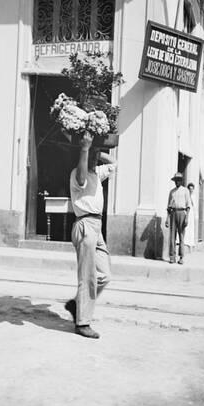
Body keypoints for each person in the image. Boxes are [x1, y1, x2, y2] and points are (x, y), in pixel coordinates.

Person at [64, 131, 116, 339]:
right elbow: (82, 176)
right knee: (87, 277)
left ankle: (77, 305)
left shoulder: (97, 173)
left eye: (96, 155)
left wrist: (97, 150)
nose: (95, 158)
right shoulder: (78, 173)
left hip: (97, 226)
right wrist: (85, 149)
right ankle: (82, 322)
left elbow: (114, 163)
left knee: (104, 275)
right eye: (92, 155)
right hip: (85, 224)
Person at [165, 172, 191, 265]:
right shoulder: (172, 192)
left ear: (181, 181)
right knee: (172, 236)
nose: (177, 182)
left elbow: (188, 206)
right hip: (173, 213)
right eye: (176, 180)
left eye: (179, 180)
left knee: (181, 236)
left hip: (182, 213)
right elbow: (169, 207)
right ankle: (172, 257)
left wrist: (187, 218)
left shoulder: (185, 191)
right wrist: (167, 219)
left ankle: (181, 257)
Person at [184, 183, 196, 251]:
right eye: (189, 189)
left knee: (191, 227)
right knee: (186, 226)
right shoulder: (186, 195)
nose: (191, 190)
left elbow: (194, 205)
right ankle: (185, 241)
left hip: (191, 213)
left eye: (192, 189)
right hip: (186, 212)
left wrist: (191, 197)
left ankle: (190, 242)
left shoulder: (193, 196)